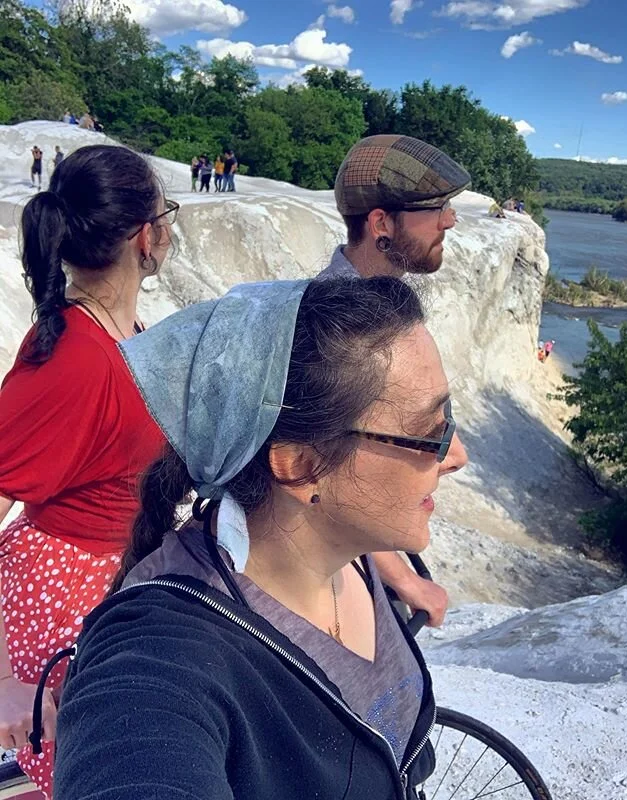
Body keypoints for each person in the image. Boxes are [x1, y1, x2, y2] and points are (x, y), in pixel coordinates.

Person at [53, 276, 468, 799]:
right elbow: (139, 753)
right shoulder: (162, 654)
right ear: (299, 467)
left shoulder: (350, 551)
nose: (456, 456)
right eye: (430, 433)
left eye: (447, 418)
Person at [0, 144, 178, 799]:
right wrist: (2, 680)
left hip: (117, 589)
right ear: (143, 236)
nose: (169, 230)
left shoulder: (122, 330)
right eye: (167, 214)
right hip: (66, 605)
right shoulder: (76, 362)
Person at [316, 133, 470, 625]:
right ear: (381, 222)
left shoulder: (375, 303)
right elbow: (328, 474)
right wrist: (402, 578)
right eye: (435, 207)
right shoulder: (340, 330)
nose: (450, 220)